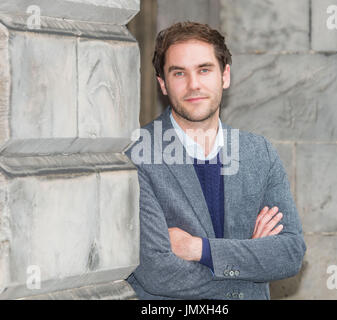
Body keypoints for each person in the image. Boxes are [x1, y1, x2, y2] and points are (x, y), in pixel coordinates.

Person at [124, 21, 306, 300]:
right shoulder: (137, 154)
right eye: (178, 73)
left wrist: (200, 249)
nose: (193, 84)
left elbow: (290, 254)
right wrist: (250, 265)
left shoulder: (259, 152)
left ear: (225, 76)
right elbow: (158, 273)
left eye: (204, 70)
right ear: (162, 83)